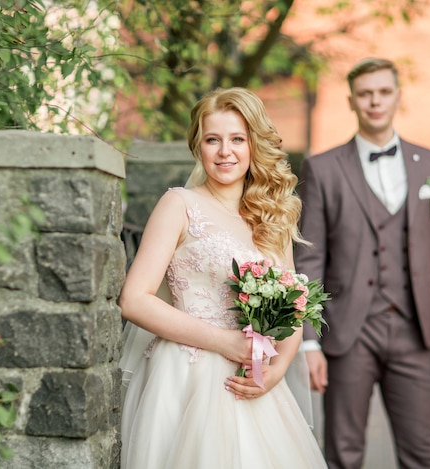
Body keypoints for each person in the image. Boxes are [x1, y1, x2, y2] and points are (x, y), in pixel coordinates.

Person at [118, 87, 327, 469]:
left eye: (237, 139)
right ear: (198, 147)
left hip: (252, 382)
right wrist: (225, 342)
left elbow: (293, 307)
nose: (224, 151)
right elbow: (134, 299)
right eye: (213, 139)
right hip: (187, 375)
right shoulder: (179, 205)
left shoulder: (271, 217)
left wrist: (276, 371)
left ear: (253, 145)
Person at [294, 57, 430, 469]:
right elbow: (310, 258)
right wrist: (308, 340)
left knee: (423, 455)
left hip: (415, 332)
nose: (375, 101)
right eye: (365, 94)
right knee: (343, 454)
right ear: (351, 101)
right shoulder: (322, 168)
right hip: (347, 334)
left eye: (383, 92)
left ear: (398, 97)